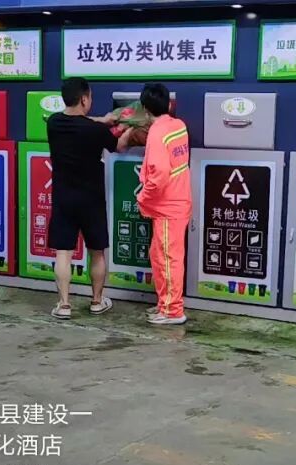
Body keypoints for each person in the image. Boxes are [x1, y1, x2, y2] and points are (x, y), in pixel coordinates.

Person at [46, 77, 135, 319]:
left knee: (63, 253)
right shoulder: (95, 131)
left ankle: (64, 305)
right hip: (91, 199)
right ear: (84, 99)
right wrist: (133, 126)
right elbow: (120, 146)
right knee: (96, 251)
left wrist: (103, 120)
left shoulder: (54, 123)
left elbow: (80, 122)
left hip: (63, 198)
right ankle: (96, 301)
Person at [136, 83, 192, 325]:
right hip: (176, 203)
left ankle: (172, 311)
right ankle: (164, 303)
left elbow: (158, 174)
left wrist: (143, 197)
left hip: (168, 206)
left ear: (145, 109)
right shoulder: (178, 126)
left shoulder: (157, 133)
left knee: (168, 259)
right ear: (169, 104)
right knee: (160, 256)